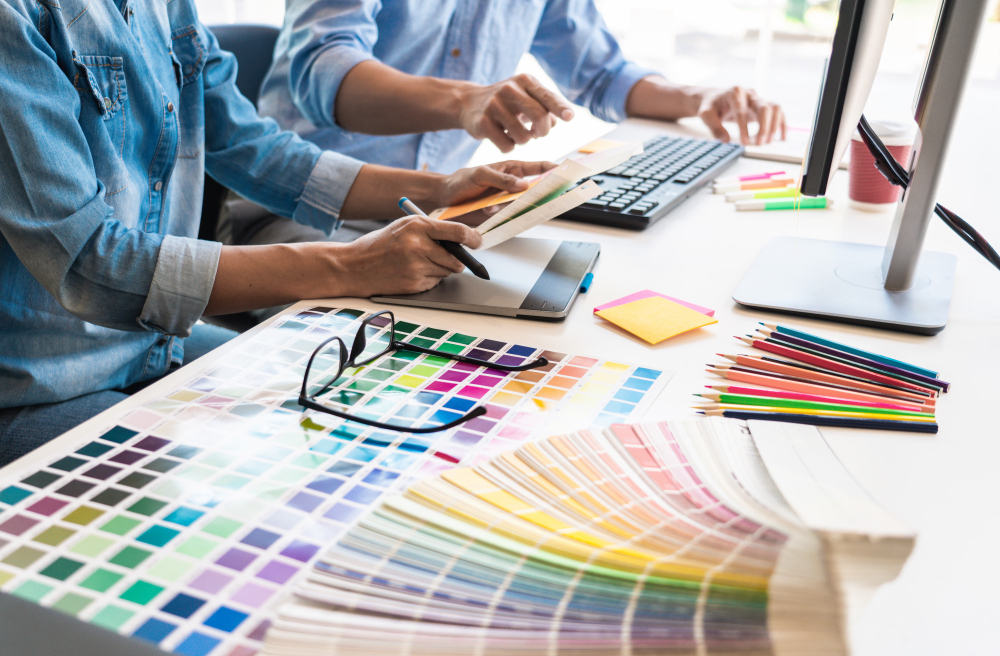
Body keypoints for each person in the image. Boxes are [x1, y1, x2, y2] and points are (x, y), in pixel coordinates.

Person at [0, 0, 551, 465]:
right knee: (261, 473)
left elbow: (250, 146)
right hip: (38, 387)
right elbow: (94, 268)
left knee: (368, 410)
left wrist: (441, 189)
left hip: (149, 346)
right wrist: (351, 265)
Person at [227, 0, 785, 247]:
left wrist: (701, 95)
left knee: (547, 308)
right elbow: (323, 70)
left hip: (432, 210)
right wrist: (463, 101)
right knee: (396, 340)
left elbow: (603, 74)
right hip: (299, 211)